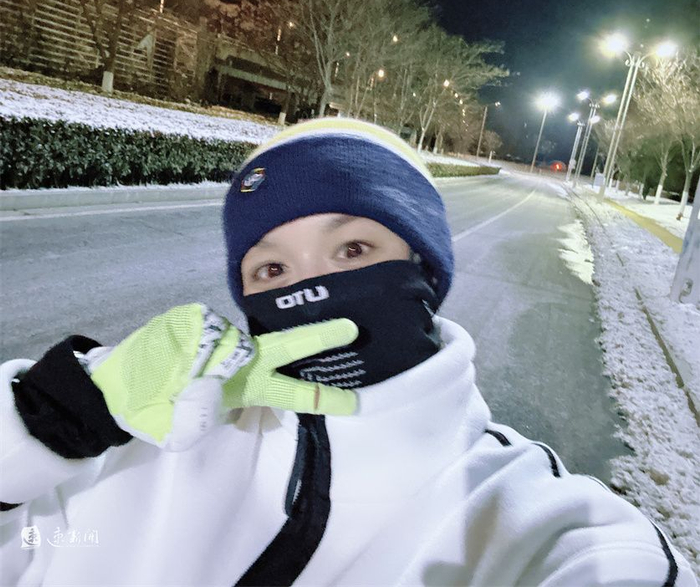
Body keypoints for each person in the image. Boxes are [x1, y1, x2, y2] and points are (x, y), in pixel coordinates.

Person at [0, 118, 695, 587]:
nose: (309, 286)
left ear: (424, 268)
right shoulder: (144, 438)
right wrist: (57, 415)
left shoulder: (527, 515)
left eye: (353, 249)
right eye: (271, 269)